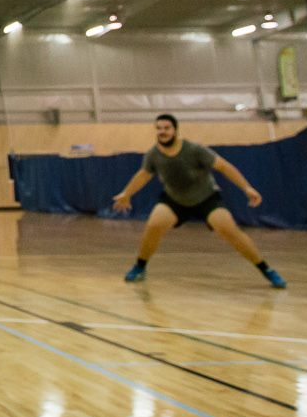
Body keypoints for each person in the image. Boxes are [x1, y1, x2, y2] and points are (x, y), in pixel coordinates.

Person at [110, 114, 287, 288]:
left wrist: (246, 188)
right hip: (174, 199)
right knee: (154, 225)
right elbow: (143, 174)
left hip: (206, 198)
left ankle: (266, 269)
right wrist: (126, 194)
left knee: (228, 230)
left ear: (175, 130)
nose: (162, 131)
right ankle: (140, 267)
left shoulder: (194, 150)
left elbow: (224, 166)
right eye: (159, 128)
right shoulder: (153, 154)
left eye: (166, 128)